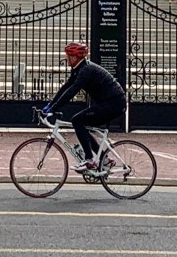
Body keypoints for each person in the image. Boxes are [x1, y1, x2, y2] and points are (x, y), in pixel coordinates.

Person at [41, 42, 127, 173]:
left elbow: (72, 91)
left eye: (67, 56)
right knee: (82, 124)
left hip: (114, 104)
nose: (66, 59)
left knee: (77, 120)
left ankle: (90, 160)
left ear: (74, 57)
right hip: (108, 103)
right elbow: (66, 87)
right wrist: (51, 104)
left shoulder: (86, 70)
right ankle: (104, 160)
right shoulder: (79, 68)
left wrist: (54, 108)